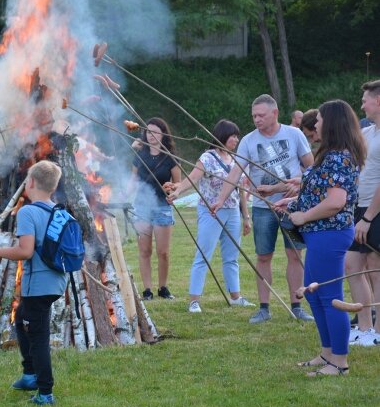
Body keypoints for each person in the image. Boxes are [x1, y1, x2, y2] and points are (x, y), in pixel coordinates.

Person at [274, 100, 364, 376]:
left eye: (321, 119)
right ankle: (327, 354)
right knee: (314, 296)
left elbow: (335, 202)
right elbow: (318, 193)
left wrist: (303, 217)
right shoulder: (331, 154)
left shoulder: (339, 158)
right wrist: (292, 204)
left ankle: (340, 362)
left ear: (332, 123)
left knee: (329, 297)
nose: (316, 124)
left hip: (330, 234)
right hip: (320, 234)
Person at [212, 94, 315, 323]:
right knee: (263, 256)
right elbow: (236, 173)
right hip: (263, 208)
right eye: (253, 116)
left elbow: (312, 168)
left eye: (261, 115)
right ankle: (264, 308)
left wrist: (297, 186)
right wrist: (220, 199)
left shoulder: (294, 134)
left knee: (295, 255)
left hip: (292, 205)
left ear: (275, 113)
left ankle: (297, 306)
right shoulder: (248, 141)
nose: (256, 119)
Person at [0, 160, 68, 406]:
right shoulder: (60, 211)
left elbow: (25, 251)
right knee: (22, 316)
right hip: (56, 281)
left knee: (39, 335)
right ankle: (29, 373)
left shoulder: (27, 212)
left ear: (30, 182)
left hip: (38, 285)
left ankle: (45, 391)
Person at [167, 120, 253, 313]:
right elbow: (193, 178)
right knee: (203, 255)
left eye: (237, 136)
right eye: (233, 136)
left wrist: (246, 217)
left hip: (232, 213)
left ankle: (236, 297)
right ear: (222, 136)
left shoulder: (236, 159)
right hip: (211, 212)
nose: (236, 139)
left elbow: (240, 191)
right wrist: (177, 191)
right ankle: (194, 301)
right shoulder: (208, 158)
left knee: (231, 257)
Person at [127, 117, 181, 301]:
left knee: (163, 252)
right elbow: (133, 181)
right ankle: (147, 290)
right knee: (144, 250)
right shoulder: (139, 155)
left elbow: (178, 184)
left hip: (162, 207)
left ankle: (163, 288)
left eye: (155, 132)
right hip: (141, 207)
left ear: (163, 134)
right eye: (148, 132)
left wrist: (172, 188)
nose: (151, 136)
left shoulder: (170, 158)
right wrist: (122, 194)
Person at [345, 79, 380, 346]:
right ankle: (365, 328)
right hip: (357, 207)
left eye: (365, 100)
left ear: (378, 101)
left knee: (375, 268)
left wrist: (368, 217)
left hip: (374, 210)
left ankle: (378, 332)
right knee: (352, 265)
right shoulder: (367, 133)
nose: (362, 104)